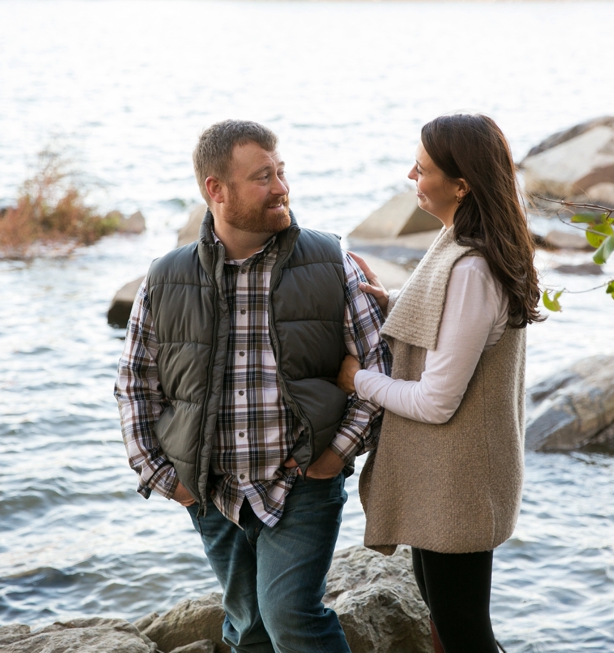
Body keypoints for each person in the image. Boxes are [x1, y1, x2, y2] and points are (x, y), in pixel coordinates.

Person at [116, 119, 391, 653]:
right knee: (248, 627)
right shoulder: (165, 277)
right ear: (215, 190)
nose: (282, 187)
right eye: (263, 177)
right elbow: (135, 384)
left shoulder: (328, 260)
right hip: (209, 489)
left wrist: (336, 453)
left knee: (291, 616)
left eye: (281, 172)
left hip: (303, 481)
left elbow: (377, 366)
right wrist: (164, 476)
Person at [337, 114, 542, 653]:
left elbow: (435, 400)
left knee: (465, 632)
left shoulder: (473, 268)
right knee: (451, 620)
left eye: (423, 168)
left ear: (463, 184)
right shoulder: (462, 242)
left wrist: (359, 380)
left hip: (463, 483)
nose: (411, 174)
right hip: (450, 480)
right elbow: (445, 320)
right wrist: (393, 303)